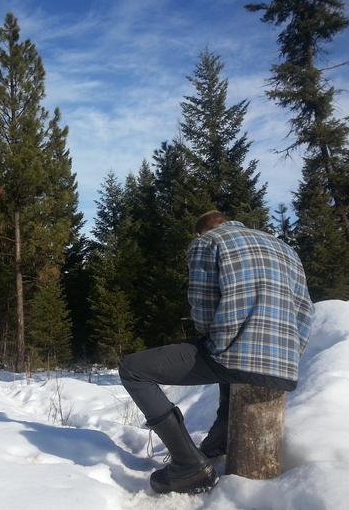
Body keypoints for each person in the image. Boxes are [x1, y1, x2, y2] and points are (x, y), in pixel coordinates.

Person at [118, 210, 314, 494]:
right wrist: (288, 354)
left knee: (133, 370)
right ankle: (218, 442)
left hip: (235, 355)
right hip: (283, 363)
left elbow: (204, 305)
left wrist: (217, 336)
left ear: (200, 232)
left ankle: (188, 465)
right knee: (228, 357)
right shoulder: (286, 249)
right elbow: (306, 311)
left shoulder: (208, 242)